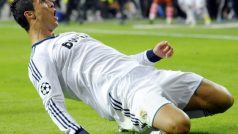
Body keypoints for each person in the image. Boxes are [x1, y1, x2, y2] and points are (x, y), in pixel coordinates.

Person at [10, 0, 234, 134]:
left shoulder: (72, 34)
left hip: (146, 73)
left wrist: (151, 55)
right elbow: (53, 104)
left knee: (223, 99)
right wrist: (76, 131)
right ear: (30, 14)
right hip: (122, 92)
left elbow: (118, 61)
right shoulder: (39, 57)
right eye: (43, 2)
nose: (52, 4)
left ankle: (150, 116)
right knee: (179, 125)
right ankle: (140, 121)